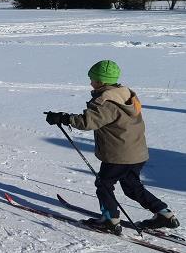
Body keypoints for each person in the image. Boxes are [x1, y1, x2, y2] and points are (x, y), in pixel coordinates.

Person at [45, 60, 179, 234]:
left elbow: (88, 122)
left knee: (104, 184)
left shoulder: (107, 102)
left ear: (101, 82)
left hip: (119, 155)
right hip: (137, 153)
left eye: (92, 79)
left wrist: (63, 118)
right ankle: (164, 214)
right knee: (132, 186)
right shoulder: (127, 96)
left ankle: (110, 220)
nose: (90, 83)